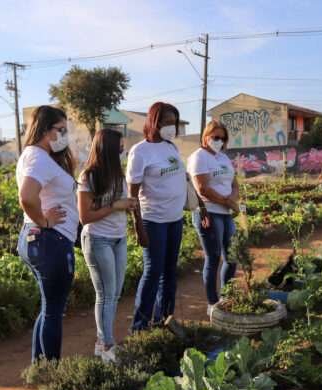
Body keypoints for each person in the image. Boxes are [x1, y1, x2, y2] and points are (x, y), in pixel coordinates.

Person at [127, 102, 207, 332]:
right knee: (153, 272)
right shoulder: (140, 152)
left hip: (174, 220)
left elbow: (182, 178)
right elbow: (132, 195)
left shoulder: (171, 147)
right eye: (167, 123)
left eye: (174, 123)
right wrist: (138, 227)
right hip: (153, 221)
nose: (171, 127)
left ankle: (166, 321)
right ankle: (139, 329)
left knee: (170, 271)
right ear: (154, 122)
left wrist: (198, 203)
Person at [16, 105, 78, 362]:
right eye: (60, 130)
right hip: (49, 241)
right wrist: (45, 221)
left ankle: (39, 368)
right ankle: (53, 376)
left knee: (48, 308)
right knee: (53, 311)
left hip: (41, 240)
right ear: (44, 129)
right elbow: (27, 197)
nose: (64, 135)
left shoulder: (36, 156)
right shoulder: (38, 157)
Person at [77, 129, 137, 362]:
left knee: (115, 294)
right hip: (97, 239)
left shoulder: (117, 174)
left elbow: (118, 204)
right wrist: (116, 205)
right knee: (105, 295)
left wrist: (127, 205)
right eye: (120, 146)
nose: (123, 150)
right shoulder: (88, 176)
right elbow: (85, 217)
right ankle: (107, 346)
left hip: (118, 239)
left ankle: (101, 342)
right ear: (109, 149)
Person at [187, 120, 240, 315]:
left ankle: (227, 297)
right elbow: (203, 189)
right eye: (215, 137)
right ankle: (212, 302)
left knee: (232, 256)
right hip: (209, 212)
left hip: (226, 213)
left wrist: (232, 200)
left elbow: (235, 184)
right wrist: (229, 203)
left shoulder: (224, 158)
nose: (219, 141)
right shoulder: (198, 157)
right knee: (213, 257)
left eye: (222, 138)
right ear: (206, 136)